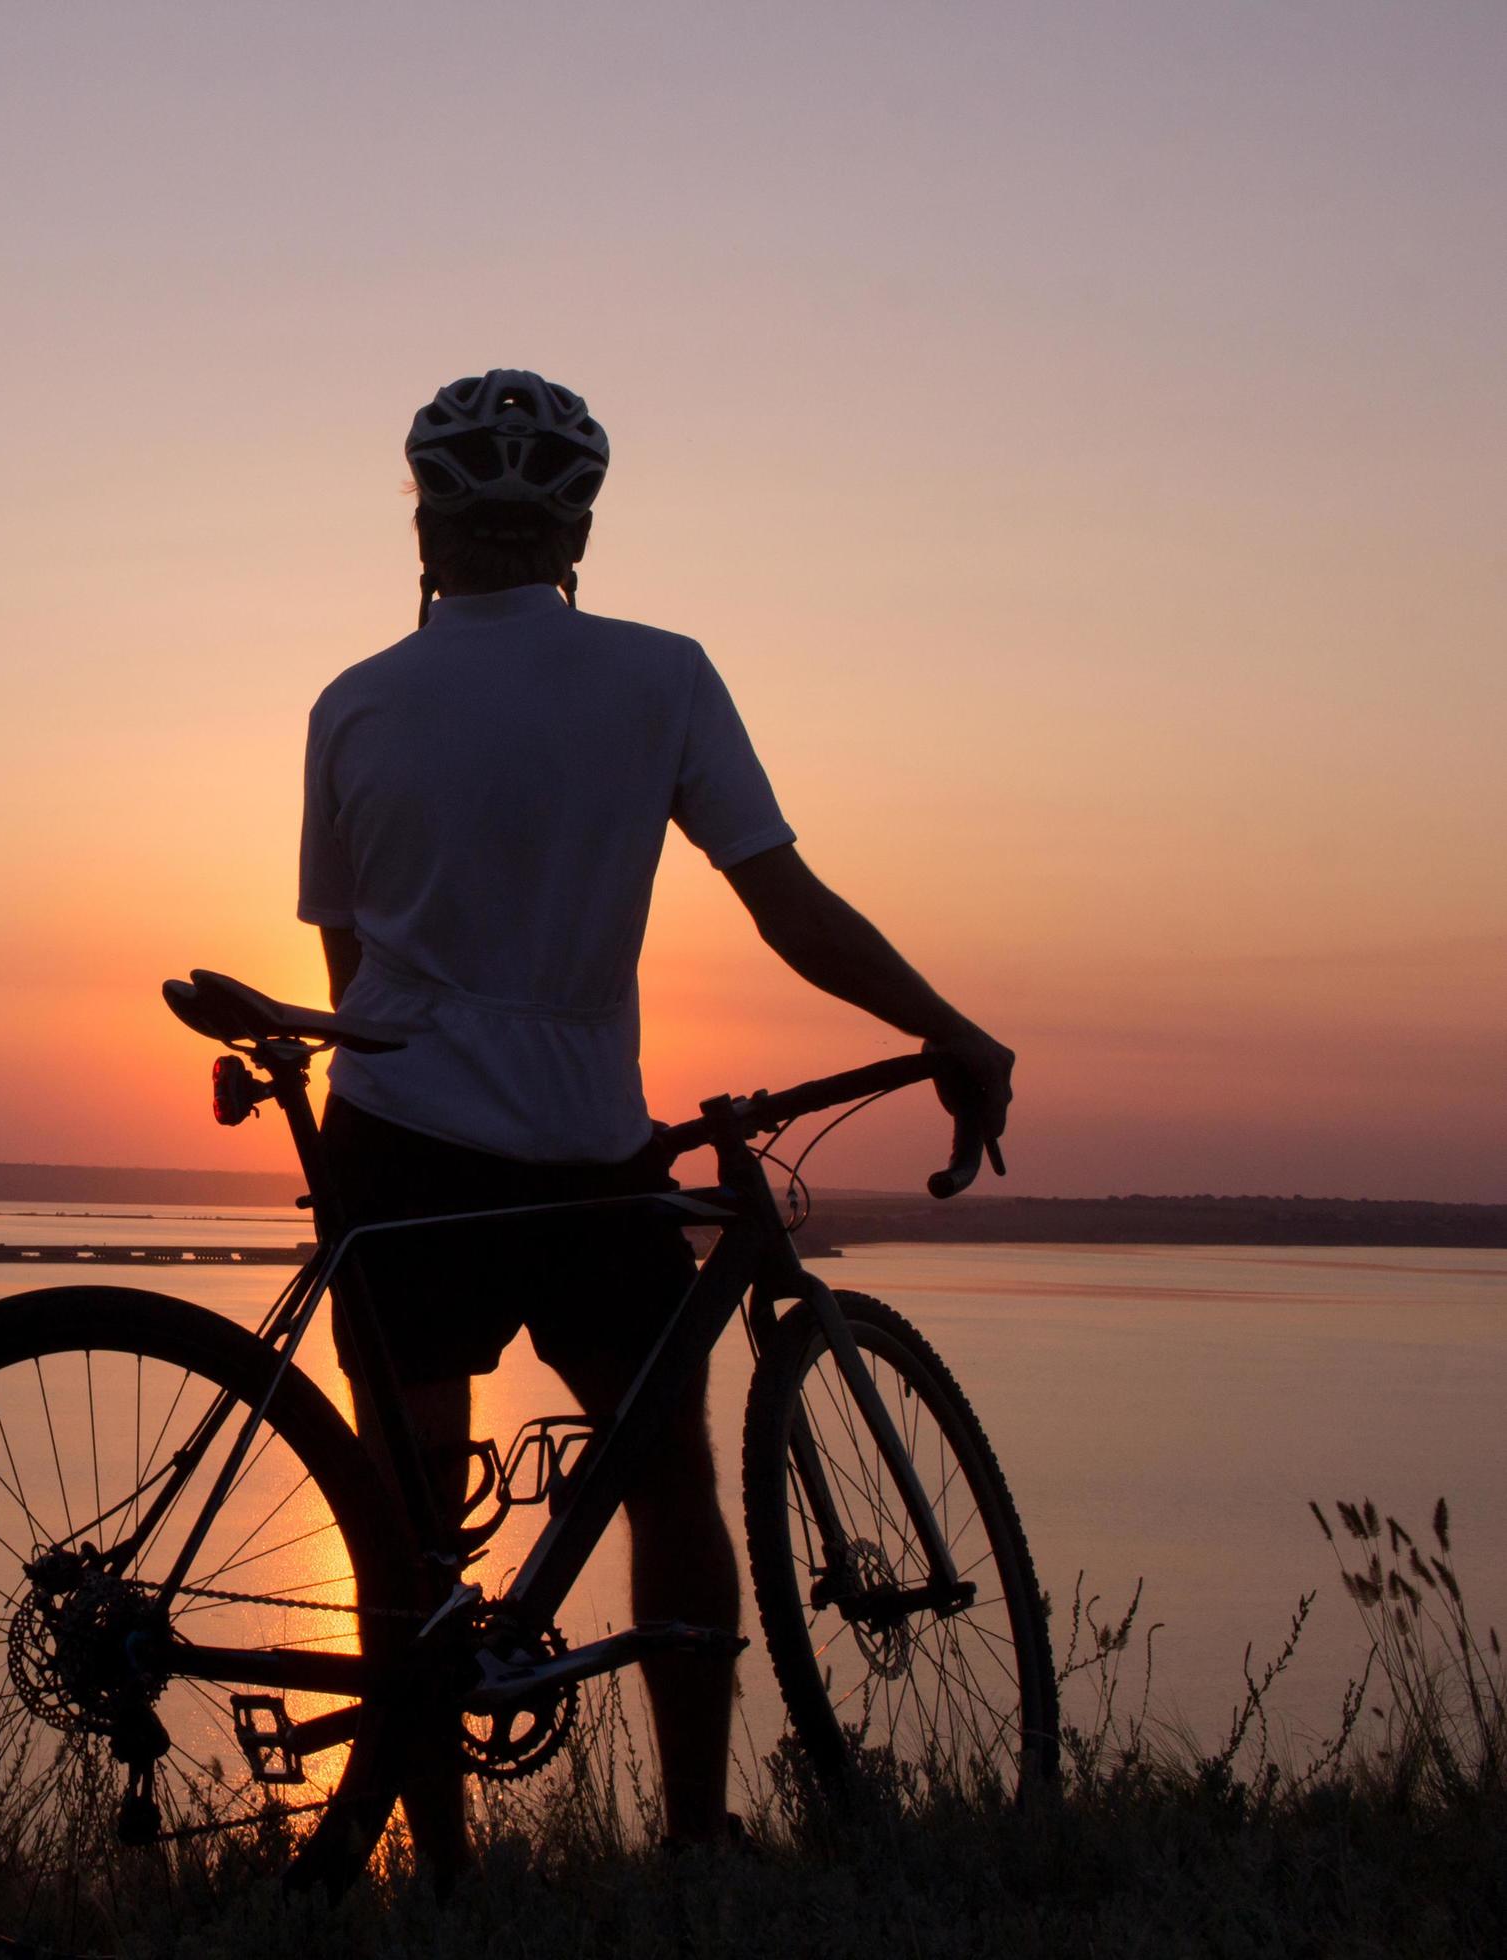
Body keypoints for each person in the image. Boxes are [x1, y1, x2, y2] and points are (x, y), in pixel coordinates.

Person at [296, 369, 1015, 1862]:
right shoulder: (661, 675)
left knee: (409, 1519)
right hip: (581, 1150)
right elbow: (786, 906)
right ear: (579, 529)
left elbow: (348, 963)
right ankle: (697, 1837)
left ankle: (438, 1873)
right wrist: (940, 1029)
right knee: (669, 1477)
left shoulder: (353, 700)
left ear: (425, 518)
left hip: (402, 1143)